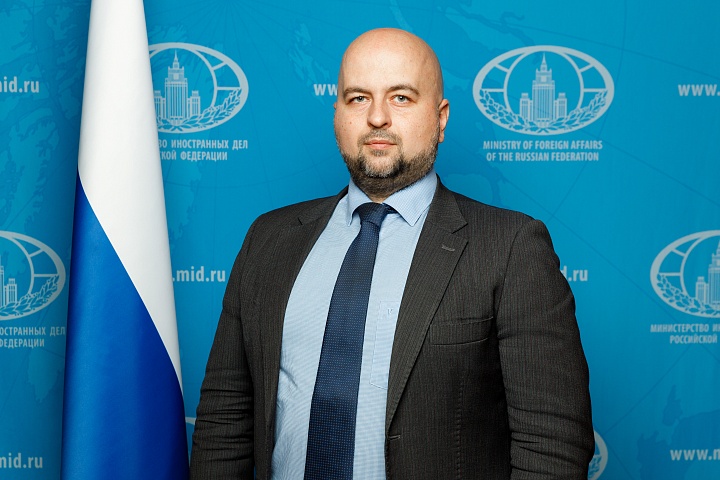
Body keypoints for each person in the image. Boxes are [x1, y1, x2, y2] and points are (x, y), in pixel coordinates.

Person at [189, 28, 594, 479]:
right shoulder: (268, 240)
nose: (377, 117)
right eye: (358, 98)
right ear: (337, 114)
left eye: (401, 98)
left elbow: (551, 445)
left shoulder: (509, 247)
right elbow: (224, 421)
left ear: (440, 118)